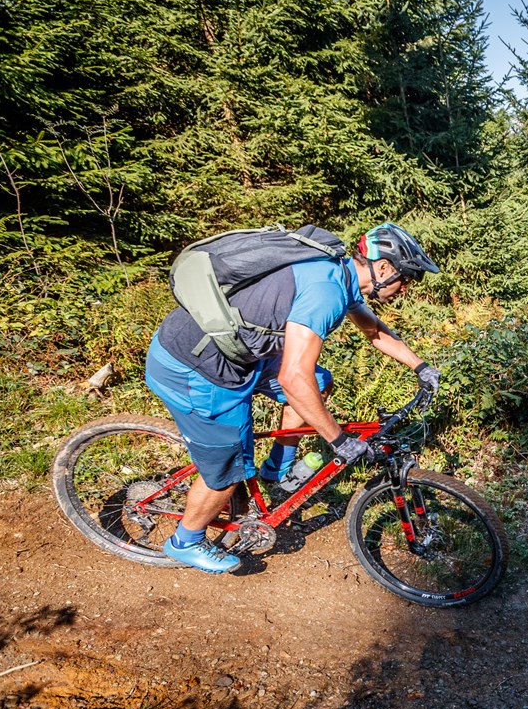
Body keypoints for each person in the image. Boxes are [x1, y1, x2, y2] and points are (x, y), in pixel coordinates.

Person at [144, 222, 442, 574]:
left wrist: (420, 366)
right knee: (229, 468)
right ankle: (186, 540)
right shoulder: (325, 291)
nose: (404, 289)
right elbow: (292, 377)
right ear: (383, 268)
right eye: (404, 279)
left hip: (239, 356)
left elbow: (372, 329)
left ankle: (277, 468)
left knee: (320, 381)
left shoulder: (339, 273)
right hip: (196, 367)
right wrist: (338, 439)